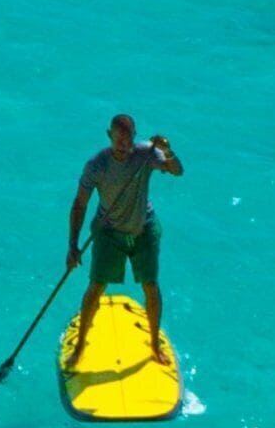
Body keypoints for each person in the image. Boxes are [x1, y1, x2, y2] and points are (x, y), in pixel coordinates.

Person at [61, 113, 184, 365]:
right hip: (109, 232)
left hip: (143, 228)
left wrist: (167, 151)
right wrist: (73, 245)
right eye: (119, 140)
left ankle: (154, 346)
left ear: (134, 137)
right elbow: (79, 204)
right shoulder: (97, 165)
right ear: (109, 136)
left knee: (150, 286)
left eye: (128, 140)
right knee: (96, 287)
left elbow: (177, 171)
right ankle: (80, 347)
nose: (124, 146)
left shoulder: (145, 154)